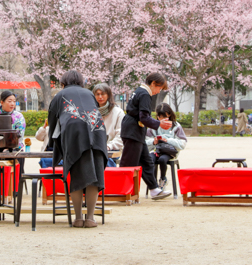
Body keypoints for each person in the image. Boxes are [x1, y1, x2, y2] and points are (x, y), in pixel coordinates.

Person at [47, 70, 108, 228]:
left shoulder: (60, 96)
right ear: (81, 81)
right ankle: (91, 218)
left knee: (76, 173)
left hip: (74, 134)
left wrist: (52, 145)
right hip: (97, 132)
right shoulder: (89, 94)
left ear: (63, 82)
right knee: (94, 175)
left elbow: (53, 123)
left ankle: (78, 218)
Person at [119, 72, 172, 200]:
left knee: (146, 161)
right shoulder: (145, 94)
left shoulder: (139, 91)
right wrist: (159, 123)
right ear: (153, 83)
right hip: (133, 131)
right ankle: (120, 190)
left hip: (134, 130)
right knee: (128, 163)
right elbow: (144, 117)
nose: (159, 91)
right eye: (159, 88)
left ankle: (154, 189)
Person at [145, 103, 187, 188]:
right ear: (157, 117)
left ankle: (163, 179)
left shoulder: (176, 126)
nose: (164, 120)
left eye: (166, 117)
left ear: (170, 115)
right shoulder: (153, 127)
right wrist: (154, 141)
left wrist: (168, 140)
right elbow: (145, 142)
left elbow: (183, 143)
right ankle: (153, 182)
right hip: (156, 150)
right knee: (149, 159)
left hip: (170, 151)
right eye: (161, 118)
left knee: (162, 159)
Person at [0, 90, 26, 173]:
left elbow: (20, 135)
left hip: (15, 149)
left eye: (14, 101)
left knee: (17, 172)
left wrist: (8, 147)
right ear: (2, 102)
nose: (12, 104)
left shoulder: (19, 116)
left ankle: (17, 184)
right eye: (9, 101)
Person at [93, 83, 124, 167]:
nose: (100, 97)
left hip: (111, 150)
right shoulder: (91, 112)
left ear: (108, 95)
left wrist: (109, 146)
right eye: (97, 94)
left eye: (103, 94)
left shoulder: (118, 112)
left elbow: (121, 135)